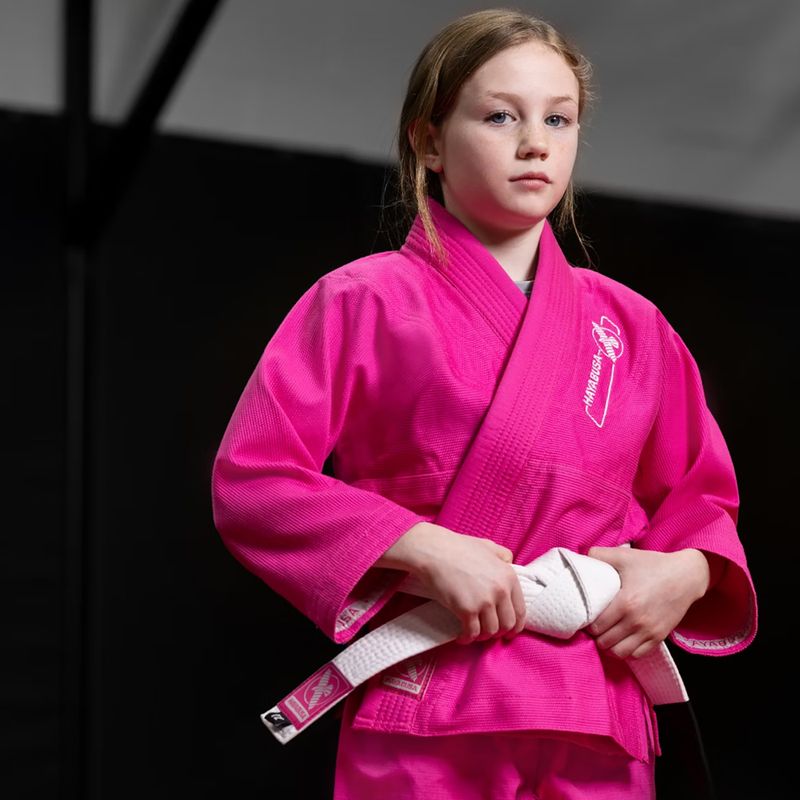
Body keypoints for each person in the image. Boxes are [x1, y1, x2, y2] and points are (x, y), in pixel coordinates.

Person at [211, 8, 757, 799]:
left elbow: (701, 498)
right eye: (501, 116)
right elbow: (255, 480)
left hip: (594, 703)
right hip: (433, 696)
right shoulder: (361, 301)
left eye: (558, 119)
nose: (535, 142)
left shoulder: (633, 326)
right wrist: (422, 547)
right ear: (429, 141)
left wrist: (689, 571)